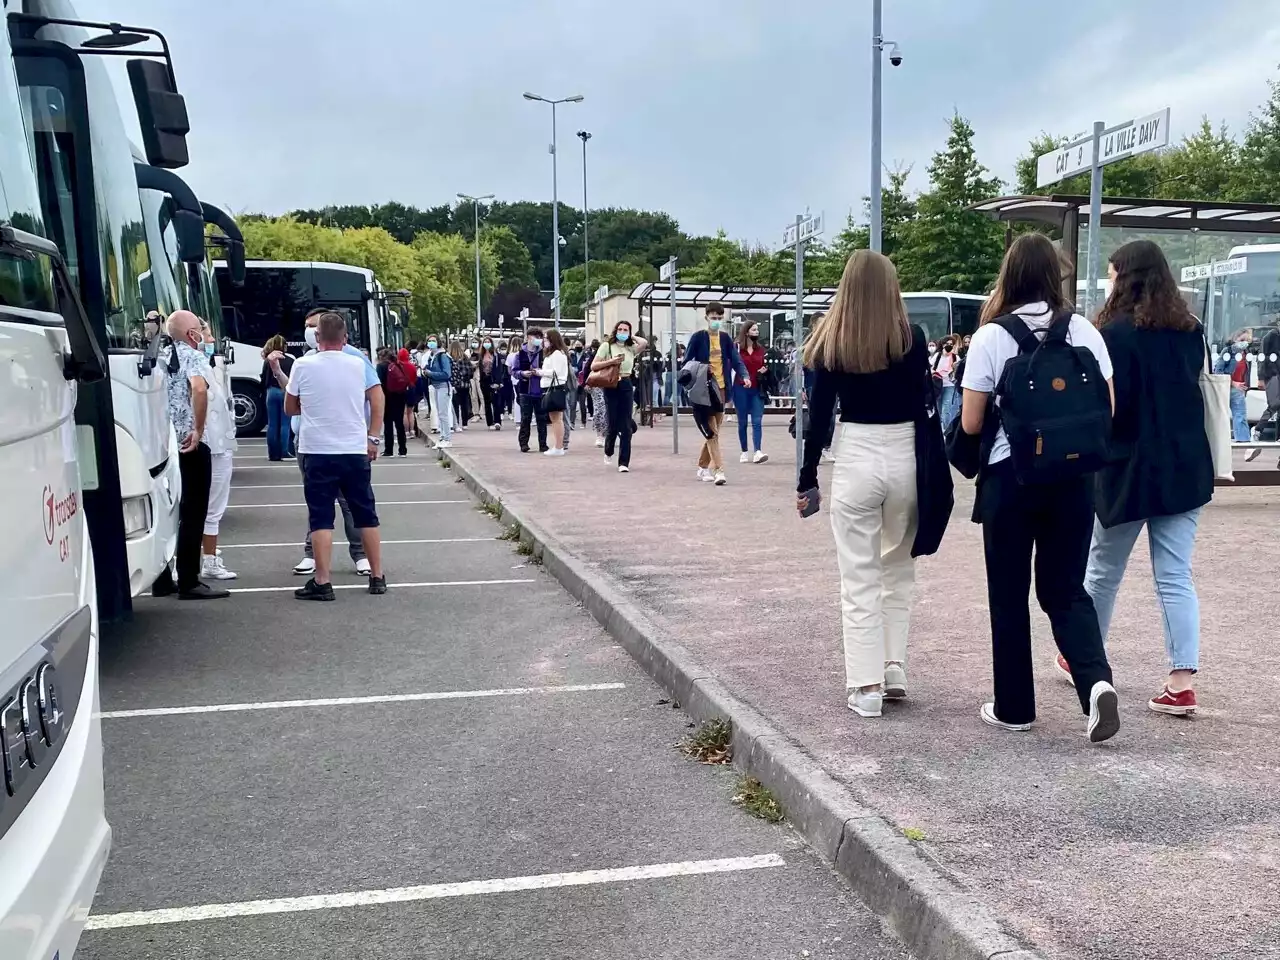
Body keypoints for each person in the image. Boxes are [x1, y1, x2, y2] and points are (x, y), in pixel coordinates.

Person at [959, 232, 1120, 743]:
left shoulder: (991, 336)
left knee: (1008, 592)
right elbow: (1108, 409)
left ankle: (1014, 707)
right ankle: (1095, 685)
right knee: (1066, 589)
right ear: (1056, 275)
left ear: (1010, 274)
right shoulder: (1086, 332)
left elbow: (969, 421)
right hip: (1074, 479)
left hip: (1013, 477)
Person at [1080, 240, 1214, 716]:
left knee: (1102, 571)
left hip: (1126, 467)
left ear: (1125, 277)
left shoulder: (1110, 334)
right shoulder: (1188, 329)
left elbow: (1109, 408)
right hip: (1183, 465)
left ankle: (1086, 660)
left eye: (1113, 273)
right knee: (1175, 575)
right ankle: (1181, 680)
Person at [795, 251, 927, 718]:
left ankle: (866, 685)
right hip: (906, 454)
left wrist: (808, 476)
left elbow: (818, 421)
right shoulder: (913, 338)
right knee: (898, 566)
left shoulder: (832, 341)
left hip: (857, 454)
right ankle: (893, 666)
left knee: (858, 574)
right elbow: (923, 402)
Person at [285, 311, 387, 599]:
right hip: (354, 449)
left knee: (321, 517)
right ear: (345, 337)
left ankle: (323, 580)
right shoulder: (358, 364)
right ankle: (377, 576)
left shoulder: (303, 365)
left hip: (317, 449)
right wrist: (373, 436)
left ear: (317, 337)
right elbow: (377, 396)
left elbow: (290, 408)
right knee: (365, 513)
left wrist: (314, 403)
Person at [158, 310, 229, 600]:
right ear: (191, 335)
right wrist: (198, 429)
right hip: (190, 442)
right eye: (200, 327)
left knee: (167, 511)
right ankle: (189, 579)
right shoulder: (192, 355)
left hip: (164, 441)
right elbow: (199, 388)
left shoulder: (161, 356)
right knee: (194, 510)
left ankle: (162, 577)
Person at [681, 302, 748, 485]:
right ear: (706, 318)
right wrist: (703, 368)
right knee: (712, 432)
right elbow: (687, 363)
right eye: (713, 318)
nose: (716, 321)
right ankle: (718, 470)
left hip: (721, 389)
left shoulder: (725, 339)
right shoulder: (698, 338)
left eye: (719, 318)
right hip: (703, 390)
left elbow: (736, 360)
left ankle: (702, 466)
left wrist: (744, 376)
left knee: (715, 431)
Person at [200, 321, 239, 581]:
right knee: (211, 506)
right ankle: (209, 560)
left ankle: (207, 555)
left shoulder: (210, 366)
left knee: (208, 507)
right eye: (208, 334)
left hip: (217, 442)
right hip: (212, 444)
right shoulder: (197, 365)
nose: (214, 340)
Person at [593, 320, 648, 473]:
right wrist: (612, 361)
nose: (622, 332)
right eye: (620, 329)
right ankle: (608, 449)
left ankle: (624, 462)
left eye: (625, 330)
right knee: (613, 421)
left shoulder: (630, 348)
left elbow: (644, 343)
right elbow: (594, 366)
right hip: (611, 383)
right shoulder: (607, 346)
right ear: (615, 330)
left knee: (626, 425)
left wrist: (633, 336)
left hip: (626, 382)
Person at [733, 320, 769, 464]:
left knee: (757, 421)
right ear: (746, 332)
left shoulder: (761, 350)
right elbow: (734, 366)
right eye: (754, 330)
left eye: (757, 330)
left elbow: (764, 365)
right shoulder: (736, 349)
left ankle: (758, 451)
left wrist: (764, 371)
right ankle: (744, 451)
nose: (756, 333)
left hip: (756, 388)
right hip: (740, 388)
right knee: (742, 422)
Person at [1247, 315, 1280, 462]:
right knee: (1275, 404)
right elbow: (1261, 356)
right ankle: (1258, 429)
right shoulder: (1270, 337)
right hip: (1271, 374)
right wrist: (1260, 377)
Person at [514, 327, 549, 453]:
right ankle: (523, 443)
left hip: (540, 390)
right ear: (529, 337)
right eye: (536, 337)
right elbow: (514, 371)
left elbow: (548, 369)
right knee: (525, 418)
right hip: (525, 390)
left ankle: (543, 444)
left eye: (540, 337)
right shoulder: (520, 354)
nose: (539, 340)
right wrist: (522, 373)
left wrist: (539, 372)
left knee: (542, 418)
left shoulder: (544, 353)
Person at [537, 328, 571, 456]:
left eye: (546, 338)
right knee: (555, 418)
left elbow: (555, 372)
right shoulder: (553, 353)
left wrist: (541, 372)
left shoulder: (557, 354)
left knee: (556, 418)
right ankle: (558, 445)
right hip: (551, 386)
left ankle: (559, 446)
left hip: (555, 387)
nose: (544, 341)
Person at [261, 334, 295, 461]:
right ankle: (284, 451)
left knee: (272, 424)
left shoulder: (268, 361)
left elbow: (263, 378)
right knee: (285, 424)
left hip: (271, 392)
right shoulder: (291, 361)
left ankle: (273, 453)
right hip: (284, 391)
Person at [376, 346, 412, 457]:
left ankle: (389, 450)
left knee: (388, 424)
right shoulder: (398, 365)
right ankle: (402, 450)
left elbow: (379, 382)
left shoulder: (381, 366)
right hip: (400, 396)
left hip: (386, 397)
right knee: (399, 423)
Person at [1217, 330, 1253, 442]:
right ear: (1235, 339)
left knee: (1240, 416)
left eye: (1247, 341)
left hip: (1239, 390)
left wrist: (1246, 385)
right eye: (1242, 340)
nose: (1244, 343)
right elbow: (1218, 371)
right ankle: (1218, 440)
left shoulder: (1247, 354)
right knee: (1220, 416)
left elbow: (1247, 372)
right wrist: (1232, 383)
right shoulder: (1227, 352)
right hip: (1225, 388)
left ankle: (1243, 441)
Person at [421, 336, 454, 449]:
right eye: (429, 341)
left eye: (433, 341)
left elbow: (446, 374)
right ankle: (443, 437)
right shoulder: (432, 356)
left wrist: (430, 374)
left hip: (443, 386)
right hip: (436, 386)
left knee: (443, 413)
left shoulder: (442, 356)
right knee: (440, 413)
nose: (431, 343)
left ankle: (447, 439)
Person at [933, 337, 960, 431]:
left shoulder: (955, 357)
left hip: (949, 385)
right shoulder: (937, 356)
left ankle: (947, 431)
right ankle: (939, 430)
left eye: (951, 344)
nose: (949, 345)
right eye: (947, 343)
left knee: (946, 409)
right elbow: (931, 368)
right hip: (937, 385)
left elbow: (958, 371)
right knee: (938, 409)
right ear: (943, 344)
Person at [479, 336, 504, 429]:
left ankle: (497, 421)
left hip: (493, 379)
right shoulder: (481, 355)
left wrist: (498, 381)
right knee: (487, 402)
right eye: (485, 342)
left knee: (496, 401)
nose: (487, 343)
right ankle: (490, 422)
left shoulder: (496, 355)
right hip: (484, 380)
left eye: (488, 342)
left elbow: (499, 369)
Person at [450, 339, 475, 431]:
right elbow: (470, 371)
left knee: (455, 404)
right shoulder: (465, 358)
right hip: (465, 385)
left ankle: (456, 423)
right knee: (464, 404)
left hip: (455, 385)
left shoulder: (450, 358)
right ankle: (465, 423)